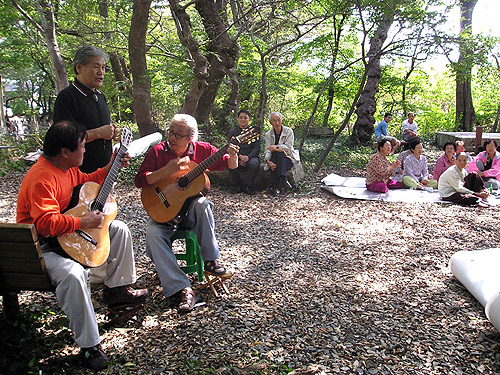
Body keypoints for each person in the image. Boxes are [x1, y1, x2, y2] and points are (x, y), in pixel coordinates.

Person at [16, 121, 148, 372]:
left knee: (118, 229)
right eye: (81, 146)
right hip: (41, 249)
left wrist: (111, 167)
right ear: (65, 152)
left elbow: (87, 182)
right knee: (73, 274)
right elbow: (44, 224)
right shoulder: (42, 177)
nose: (85, 150)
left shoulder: (66, 168)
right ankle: (89, 345)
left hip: (67, 237)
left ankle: (117, 290)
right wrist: (83, 221)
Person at [134, 114, 238, 313]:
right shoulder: (157, 152)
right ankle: (182, 288)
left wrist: (233, 154)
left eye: (178, 134)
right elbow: (140, 180)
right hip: (163, 211)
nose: (171, 137)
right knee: (153, 233)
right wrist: (166, 171)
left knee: (203, 204)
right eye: (170, 132)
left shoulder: (204, 150)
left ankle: (210, 260)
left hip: (190, 213)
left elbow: (230, 164)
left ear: (191, 138)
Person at [53, 45, 120, 173]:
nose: (101, 72)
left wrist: (112, 132)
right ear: (79, 67)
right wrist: (99, 133)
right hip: (78, 177)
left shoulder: (100, 97)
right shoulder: (67, 97)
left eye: (103, 67)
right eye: (96, 67)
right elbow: (63, 138)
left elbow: (102, 130)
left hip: (104, 174)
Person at [227, 110, 260, 194]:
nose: (243, 120)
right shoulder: (233, 132)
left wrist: (247, 158)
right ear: (238, 119)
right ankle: (236, 186)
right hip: (237, 156)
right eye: (241, 118)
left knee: (254, 164)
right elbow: (230, 147)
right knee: (230, 162)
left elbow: (257, 149)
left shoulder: (254, 132)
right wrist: (240, 156)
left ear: (249, 119)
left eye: (245, 118)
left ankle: (249, 186)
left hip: (251, 157)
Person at [264, 112, 296, 197]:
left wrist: (276, 147)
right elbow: (267, 150)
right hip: (274, 159)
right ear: (271, 122)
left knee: (280, 154)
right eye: (274, 121)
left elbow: (288, 147)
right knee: (278, 157)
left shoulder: (288, 131)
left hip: (288, 158)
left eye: (279, 120)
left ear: (281, 120)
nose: (277, 123)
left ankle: (274, 187)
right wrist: (268, 161)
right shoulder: (268, 134)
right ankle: (284, 181)